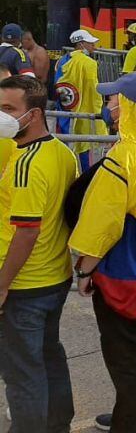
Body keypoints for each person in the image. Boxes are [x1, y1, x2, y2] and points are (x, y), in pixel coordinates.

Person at [70, 73, 136, 433]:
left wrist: (84, 271)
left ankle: (131, 422)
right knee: (133, 340)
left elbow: (102, 225)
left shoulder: (122, 157)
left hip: (119, 268)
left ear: (128, 107)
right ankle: (135, 410)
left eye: (114, 100)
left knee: (121, 349)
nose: (109, 106)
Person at [0, 75, 78, 433]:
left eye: (7, 109)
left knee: (22, 372)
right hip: (54, 278)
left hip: (25, 284)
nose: (1, 116)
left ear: (32, 115)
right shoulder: (61, 151)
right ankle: (58, 423)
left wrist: (2, 285)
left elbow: (26, 232)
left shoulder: (26, 164)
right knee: (48, 355)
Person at [54, 29, 105, 170]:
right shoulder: (89, 63)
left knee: (64, 142)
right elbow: (94, 91)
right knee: (84, 144)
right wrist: (98, 112)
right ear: (81, 44)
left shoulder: (61, 61)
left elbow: (58, 85)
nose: (94, 47)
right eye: (91, 43)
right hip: (83, 109)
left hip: (64, 108)